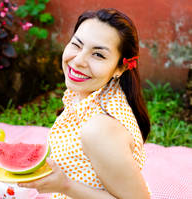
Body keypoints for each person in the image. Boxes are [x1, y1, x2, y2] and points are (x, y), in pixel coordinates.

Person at [18, 8, 151, 199]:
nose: (78, 60)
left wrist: (65, 186)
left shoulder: (99, 128)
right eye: (77, 45)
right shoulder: (89, 94)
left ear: (120, 68)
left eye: (98, 55)